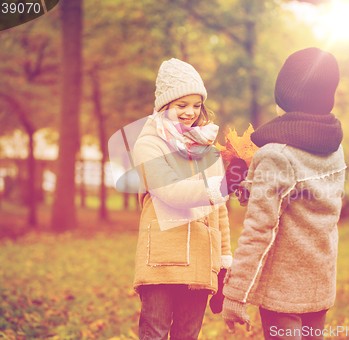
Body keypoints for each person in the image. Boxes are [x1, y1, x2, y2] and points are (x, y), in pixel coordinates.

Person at [222, 47, 347, 340]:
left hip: (283, 293)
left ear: (288, 98)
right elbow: (304, 202)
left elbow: (259, 229)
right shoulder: (334, 147)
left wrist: (236, 294)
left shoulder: (276, 155)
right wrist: (252, 187)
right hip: (320, 284)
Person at [132, 58, 232, 340]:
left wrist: (224, 261)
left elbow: (220, 210)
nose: (190, 112)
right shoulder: (149, 143)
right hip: (163, 259)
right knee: (155, 332)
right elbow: (170, 191)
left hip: (201, 258)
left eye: (196, 105)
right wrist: (221, 186)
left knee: (188, 335)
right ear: (165, 105)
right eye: (181, 105)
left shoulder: (208, 148)